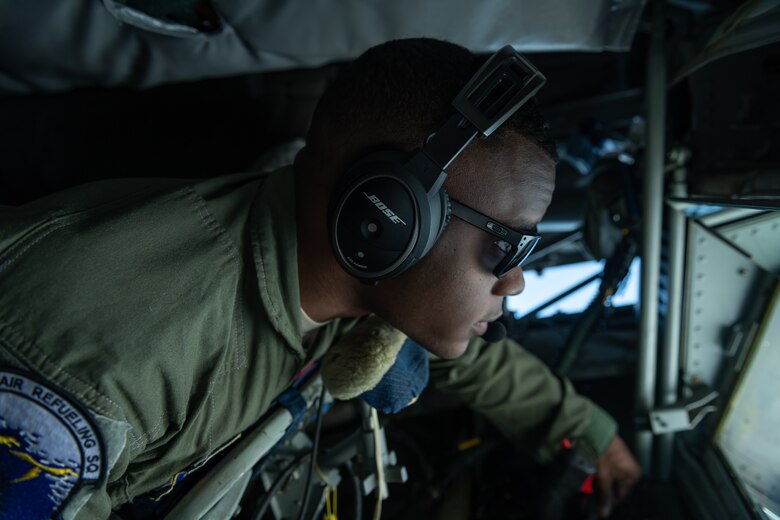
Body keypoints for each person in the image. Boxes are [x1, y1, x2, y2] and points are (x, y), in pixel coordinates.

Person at [0, 38, 640, 519]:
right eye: (509, 245)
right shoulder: (109, 357)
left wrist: (589, 432)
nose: (518, 283)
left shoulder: (339, 276)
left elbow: (469, 359)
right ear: (388, 214)